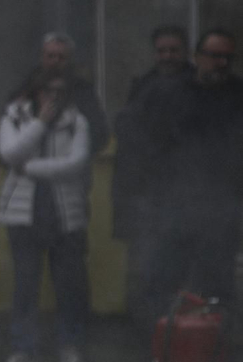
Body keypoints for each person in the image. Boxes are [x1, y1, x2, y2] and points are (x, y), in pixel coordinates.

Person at [131, 29, 243, 315]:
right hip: (173, 207)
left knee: (217, 286)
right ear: (197, 57)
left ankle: (216, 336)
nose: (221, 63)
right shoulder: (167, 93)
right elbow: (143, 143)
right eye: (214, 56)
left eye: (227, 58)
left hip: (221, 210)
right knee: (163, 282)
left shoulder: (237, 95)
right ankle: (163, 336)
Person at [0, 69, 93, 362]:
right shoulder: (13, 118)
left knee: (67, 284)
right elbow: (10, 154)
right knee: (25, 283)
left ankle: (69, 346)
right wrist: (39, 124)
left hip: (65, 213)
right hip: (23, 213)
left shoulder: (77, 121)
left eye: (60, 92)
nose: (54, 97)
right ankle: (24, 348)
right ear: (35, 92)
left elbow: (76, 164)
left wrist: (31, 168)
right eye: (49, 91)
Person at [112, 25, 193, 323]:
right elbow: (126, 132)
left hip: (186, 197)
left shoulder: (197, 86)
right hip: (146, 197)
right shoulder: (143, 86)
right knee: (148, 271)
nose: (167, 56)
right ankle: (152, 333)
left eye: (173, 50)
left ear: (185, 52)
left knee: (182, 274)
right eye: (162, 51)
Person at [37, 31, 108, 155]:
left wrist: (76, 153)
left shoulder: (83, 92)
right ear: (42, 58)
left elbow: (99, 132)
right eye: (50, 56)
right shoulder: (29, 89)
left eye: (61, 57)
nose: (55, 61)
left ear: (70, 61)